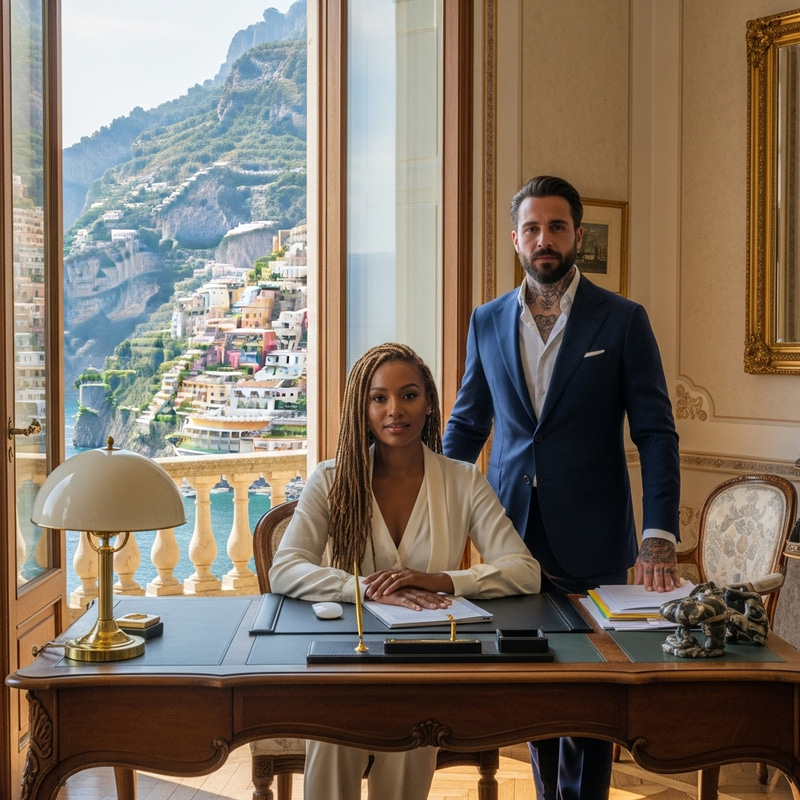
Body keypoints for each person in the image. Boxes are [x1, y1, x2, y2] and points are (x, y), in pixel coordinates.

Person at [442, 175, 681, 800]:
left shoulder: (623, 320)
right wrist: (425, 505)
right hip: (510, 535)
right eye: (532, 228)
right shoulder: (487, 320)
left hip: (595, 537)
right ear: (515, 239)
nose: (543, 239)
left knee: (591, 696)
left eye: (555, 227)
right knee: (534, 688)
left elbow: (656, 432)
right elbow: (467, 425)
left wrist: (658, 534)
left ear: (577, 235)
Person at [269, 341, 541, 800]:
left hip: (426, 664)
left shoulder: (463, 480)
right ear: (363, 409)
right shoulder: (331, 479)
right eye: (379, 398)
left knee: (414, 731)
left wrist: (440, 581)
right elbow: (286, 569)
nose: (395, 410)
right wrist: (364, 588)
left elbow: (525, 571)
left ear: (429, 402)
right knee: (332, 736)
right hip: (344, 661)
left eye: (409, 395)